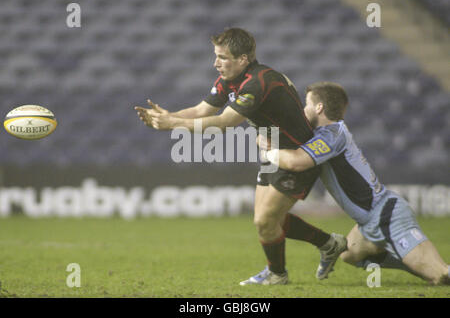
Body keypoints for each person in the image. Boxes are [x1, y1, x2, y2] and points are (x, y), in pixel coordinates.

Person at [134, 28, 347, 285]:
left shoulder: (258, 82)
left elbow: (226, 122)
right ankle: (328, 243)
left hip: (296, 154)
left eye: (222, 57)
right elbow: (202, 109)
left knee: (264, 221)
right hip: (272, 152)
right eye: (216, 56)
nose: (216, 63)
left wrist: (172, 124)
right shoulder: (229, 79)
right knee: (268, 222)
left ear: (243, 59)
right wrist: (169, 116)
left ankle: (278, 274)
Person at [259, 81, 450, 285]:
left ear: (319, 107)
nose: (304, 110)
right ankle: (413, 262)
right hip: (367, 224)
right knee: (349, 254)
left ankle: (425, 266)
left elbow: (297, 162)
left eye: (307, 104)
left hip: (386, 215)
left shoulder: (332, 134)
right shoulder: (323, 135)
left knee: (441, 275)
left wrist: (269, 151)